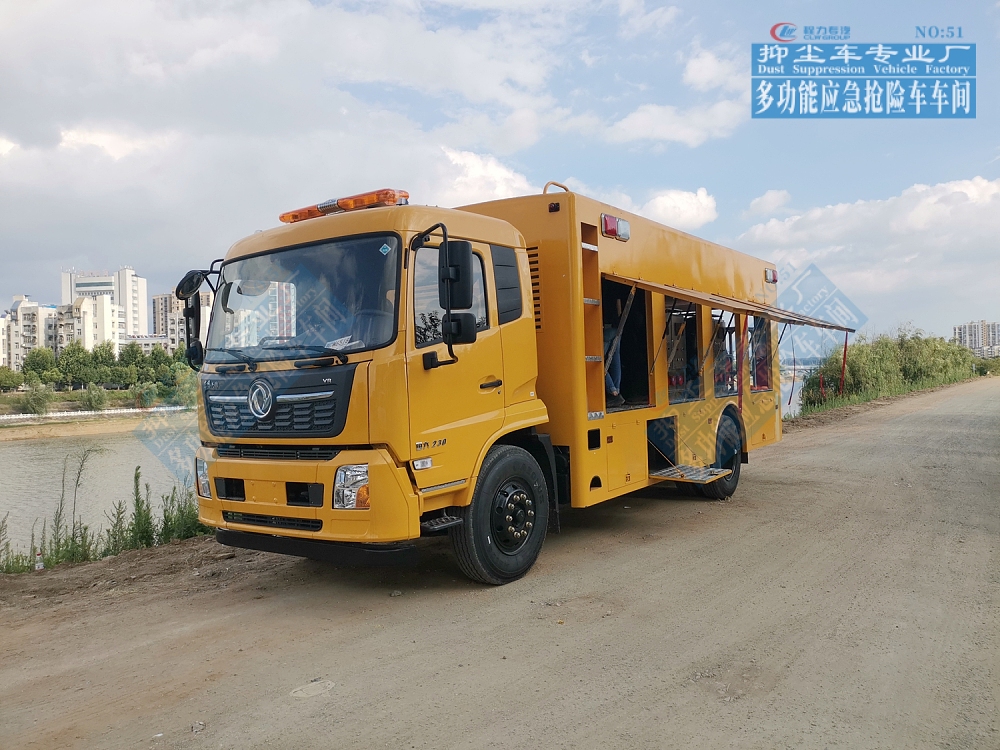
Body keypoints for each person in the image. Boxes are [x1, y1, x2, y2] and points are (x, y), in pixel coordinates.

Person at [604, 323, 624, 408]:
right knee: (615, 362)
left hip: (604, 329)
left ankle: (613, 392)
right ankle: (616, 390)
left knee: (596, 362)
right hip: (616, 328)